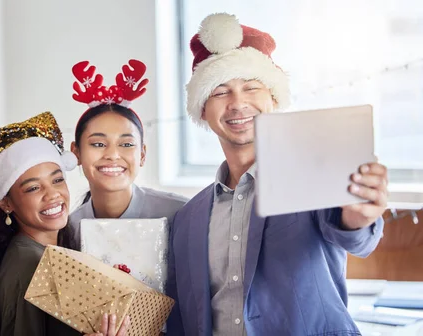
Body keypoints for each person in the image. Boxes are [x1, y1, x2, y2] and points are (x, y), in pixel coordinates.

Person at [165, 13, 388, 336]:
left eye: (251, 87)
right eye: (220, 91)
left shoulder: (315, 175)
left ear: (273, 98)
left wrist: (360, 216)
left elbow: (356, 234)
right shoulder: (187, 218)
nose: (237, 103)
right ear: (202, 109)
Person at [0, 112, 130, 336]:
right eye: (33, 188)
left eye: (57, 180)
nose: (53, 195)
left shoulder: (54, 254)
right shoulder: (30, 264)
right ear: (7, 204)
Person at [68, 60, 188, 249]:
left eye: (126, 144)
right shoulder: (69, 230)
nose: (113, 154)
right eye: (98, 144)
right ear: (76, 152)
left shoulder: (180, 213)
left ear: (142, 154)